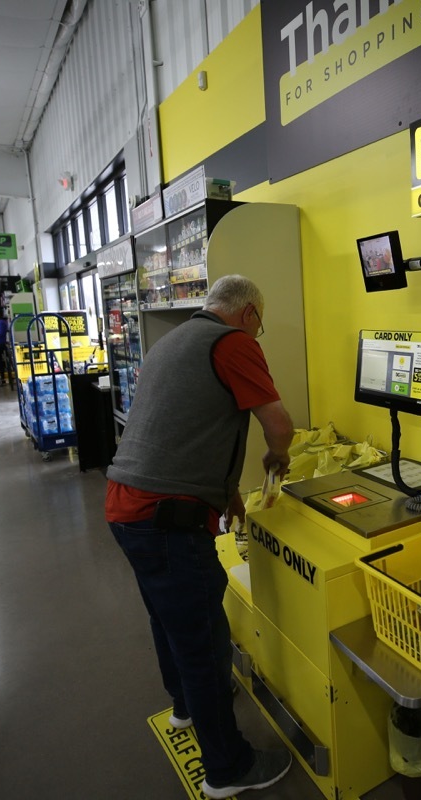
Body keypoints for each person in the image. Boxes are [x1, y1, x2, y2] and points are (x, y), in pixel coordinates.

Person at [105, 275, 295, 799]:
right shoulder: (233, 342)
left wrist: (226, 489)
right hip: (167, 518)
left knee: (168, 619)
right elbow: (279, 426)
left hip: (128, 506)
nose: (258, 335)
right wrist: (278, 459)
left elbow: (191, 428)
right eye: (261, 326)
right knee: (205, 640)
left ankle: (187, 705)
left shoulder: (177, 339)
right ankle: (227, 768)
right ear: (250, 315)